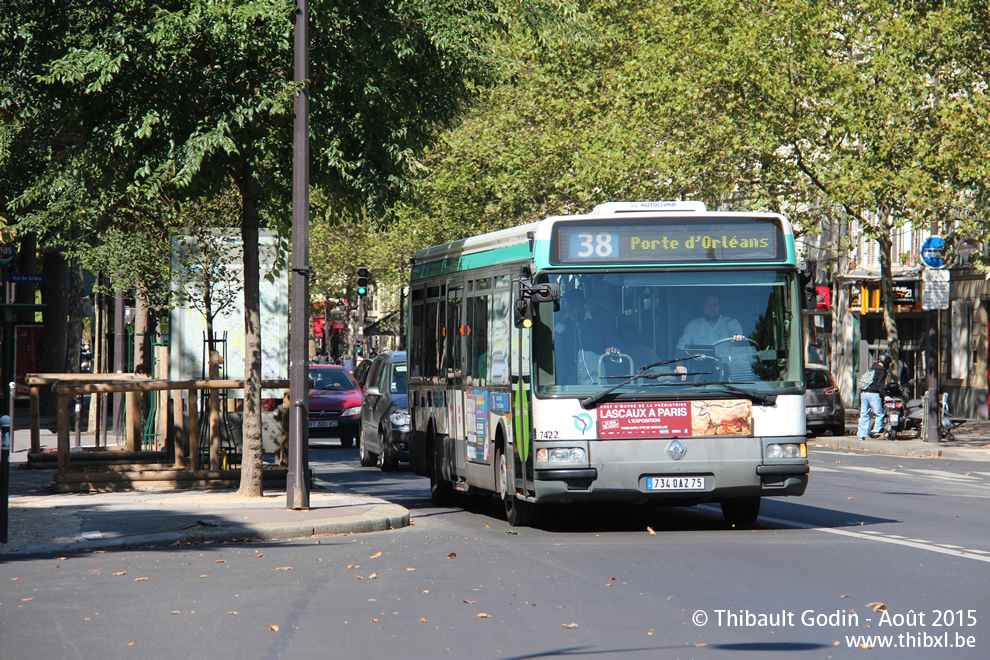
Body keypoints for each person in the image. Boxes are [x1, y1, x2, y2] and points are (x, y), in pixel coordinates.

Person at [675, 292, 745, 379]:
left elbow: (738, 339)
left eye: (715, 304)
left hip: (729, 374)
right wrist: (680, 365)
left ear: (720, 306)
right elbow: (681, 348)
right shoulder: (693, 326)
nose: (711, 307)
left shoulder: (731, 323)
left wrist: (737, 339)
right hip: (700, 375)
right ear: (702, 306)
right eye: (708, 304)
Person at [857, 355, 890, 440]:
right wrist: (885, 395)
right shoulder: (882, 370)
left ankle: (861, 434)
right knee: (879, 413)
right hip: (874, 394)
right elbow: (880, 385)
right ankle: (876, 430)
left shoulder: (872, 368)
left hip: (864, 393)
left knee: (864, 414)